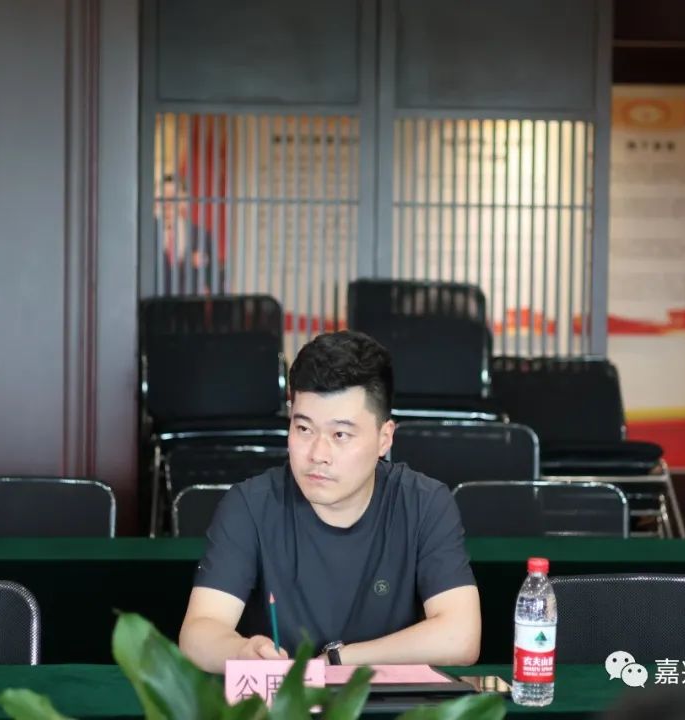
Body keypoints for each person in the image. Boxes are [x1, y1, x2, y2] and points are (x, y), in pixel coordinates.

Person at [179, 331, 481, 673]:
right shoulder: (250, 505)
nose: (317, 454)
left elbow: (461, 636)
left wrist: (339, 661)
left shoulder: (423, 503)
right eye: (304, 429)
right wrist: (241, 651)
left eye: (340, 435)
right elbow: (199, 633)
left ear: (384, 438)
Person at [154, 173, 217, 294]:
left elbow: (213, 278)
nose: (167, 202)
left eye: (172, 197)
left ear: (183, 200)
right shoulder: (145, 235)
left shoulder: (201, 236)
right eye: (163, 196)